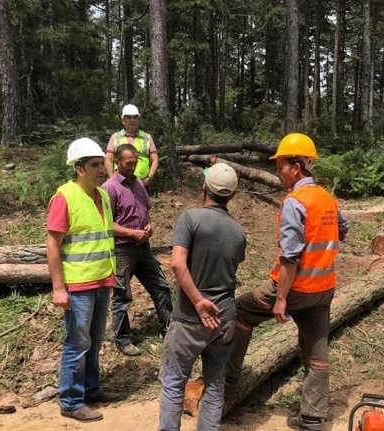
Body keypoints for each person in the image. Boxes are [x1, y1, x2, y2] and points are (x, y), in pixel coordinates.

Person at [225, 133, 344, 431]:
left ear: (297, 168)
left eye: (280, 166)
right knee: (317, 351)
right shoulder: (326, 198)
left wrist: (280, 298)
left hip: (296, 288)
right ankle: (313, 417)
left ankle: (226, 385)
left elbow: (290, 257)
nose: (277, 172)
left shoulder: (295, 202)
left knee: (240, 311)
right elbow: (343, 229)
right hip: (324, 289)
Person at [158, 163, 247, 431]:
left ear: (204, 188)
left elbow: (177, 264)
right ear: (232, 195)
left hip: (189, 317)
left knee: (174, 380)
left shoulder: (190, 219)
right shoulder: (238, 232)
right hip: (224, 320)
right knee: (215, 383)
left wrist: (198, 301)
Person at [46, 137, 123, 423]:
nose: (102, 169)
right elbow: (53, 244)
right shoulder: (64, 197)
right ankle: (71, 400)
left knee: (94, 340)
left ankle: (91, 389)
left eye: (102, 163)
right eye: (94, 165)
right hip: (78, 286)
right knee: (77, 343)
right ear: (79, 169)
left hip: (102, 280)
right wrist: (58, 288)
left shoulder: (102, 195)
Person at [102, 143, 173, 356]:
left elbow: (145, 209)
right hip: (122, 250)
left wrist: (148, 224)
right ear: (117, 162)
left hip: (143, 247)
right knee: (122, 296)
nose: (133, 166)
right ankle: (122, 339)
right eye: (128, 163)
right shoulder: (109, 188)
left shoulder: (139, 184)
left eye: (135, 162)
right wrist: (132, 233)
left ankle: (169, 329)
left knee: (161, 287)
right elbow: (106, 225)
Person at [105, 104, 160, 187]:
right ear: (123, 120)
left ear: (138, 120)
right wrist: (112, 179)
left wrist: (149, 178)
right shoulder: (115, 137)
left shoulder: (147, 137)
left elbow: (155, 160)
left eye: (135, 117)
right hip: (120, 184)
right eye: (129, 117)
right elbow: (108, 159)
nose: (132, 120)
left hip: (142, 184)